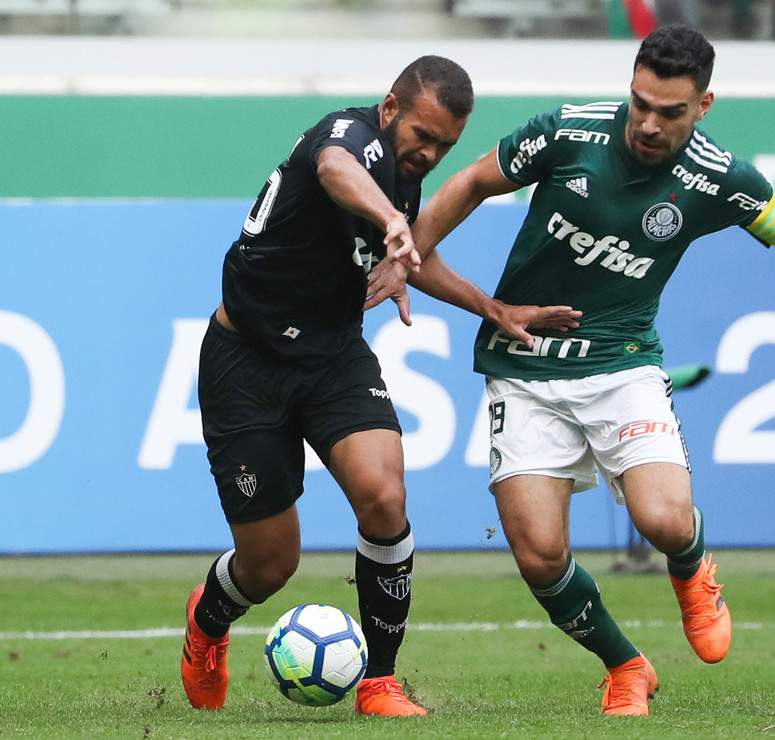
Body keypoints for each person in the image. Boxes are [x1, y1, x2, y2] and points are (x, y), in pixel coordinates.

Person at [365, 24, 775, 716]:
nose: (649, 124)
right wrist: (412, 250)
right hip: (525, 366)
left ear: (704, 106)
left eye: (669, 112)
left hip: (624, 362)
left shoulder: (720, 178)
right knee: (540, 554)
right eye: (640, 103)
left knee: (662, 520)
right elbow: (473, 180)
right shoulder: (569, 131)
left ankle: (692, 567)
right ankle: (626, 667)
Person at [179, 54, 579, 716]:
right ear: (390, 108)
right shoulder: (349, 136)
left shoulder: (403, 178)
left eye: (444, 146)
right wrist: (393, 222)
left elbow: (418, 257)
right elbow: (337, 173)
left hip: (334, 357)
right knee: (270, 566)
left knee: (384, 495)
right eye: (422, 136)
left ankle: (380, 682)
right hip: (245, 362)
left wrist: (491, 307)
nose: (429, 154)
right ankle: (209, 619)